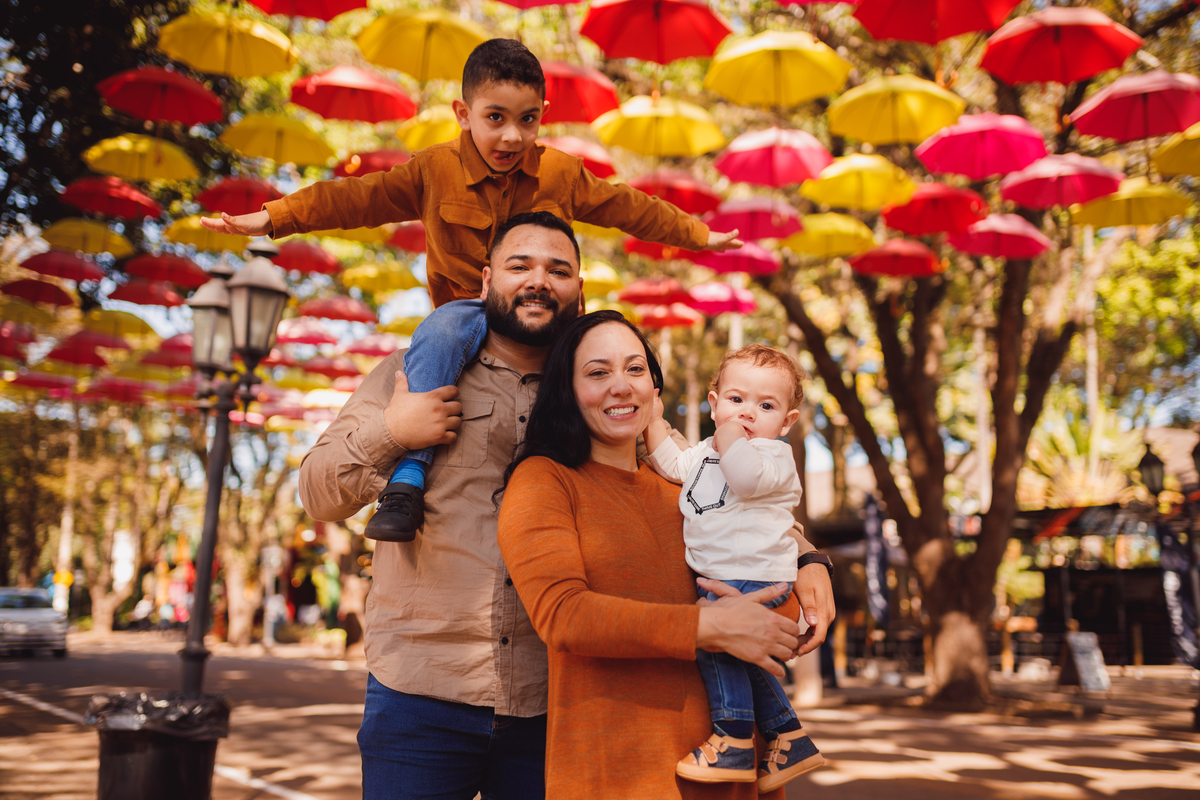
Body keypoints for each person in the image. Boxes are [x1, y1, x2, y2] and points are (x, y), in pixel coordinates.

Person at [298, 213, 834, 800]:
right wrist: (395, 429)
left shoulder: (612, 398)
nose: (539, 281)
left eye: (559, 270)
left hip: (554, 700)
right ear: (485, 282)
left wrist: (808, 558)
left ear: (578, 290)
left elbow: (714, 486)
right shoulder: (420, 370)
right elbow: (319, 494)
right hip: (423, 690)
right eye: (519, 266)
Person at [205, 38, 741, 542]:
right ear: (464, 115)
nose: (511, 136)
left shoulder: (561, 173)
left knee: (608, 350)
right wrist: (274, 217)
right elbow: (352, 199)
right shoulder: (432, 170)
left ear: (542, 116)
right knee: (438, 332)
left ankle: (614, 483)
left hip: (550, 325)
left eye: (527, 120)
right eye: (495, 119)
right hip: (463, 311)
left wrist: (699, 235)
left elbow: (630, 207)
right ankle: (409, 479)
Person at [496, 311, 830, 799]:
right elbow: (562, 616)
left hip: (730, 777)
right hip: (618, 774)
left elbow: (758, 561)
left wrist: (808, 558)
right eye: (597, 372)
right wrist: (706, 626)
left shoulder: (687, 487)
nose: (621, 386)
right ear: (566, 391)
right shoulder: (545, 481)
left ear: (655, 390)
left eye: (635, 369)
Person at [644, 344, 823, 791]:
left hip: (757, 574)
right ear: (714, 402)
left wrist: (728, 439)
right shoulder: (706, 451)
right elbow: (673, 464)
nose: (746, 413)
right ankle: (787, 734)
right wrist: (652, 422)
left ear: (786, 422)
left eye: (765, 406)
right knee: (743, 659)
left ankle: (734, 737)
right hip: (729, 576)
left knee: (716, 647)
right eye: (736, 399)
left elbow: (743, 476)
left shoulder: (772, 456)